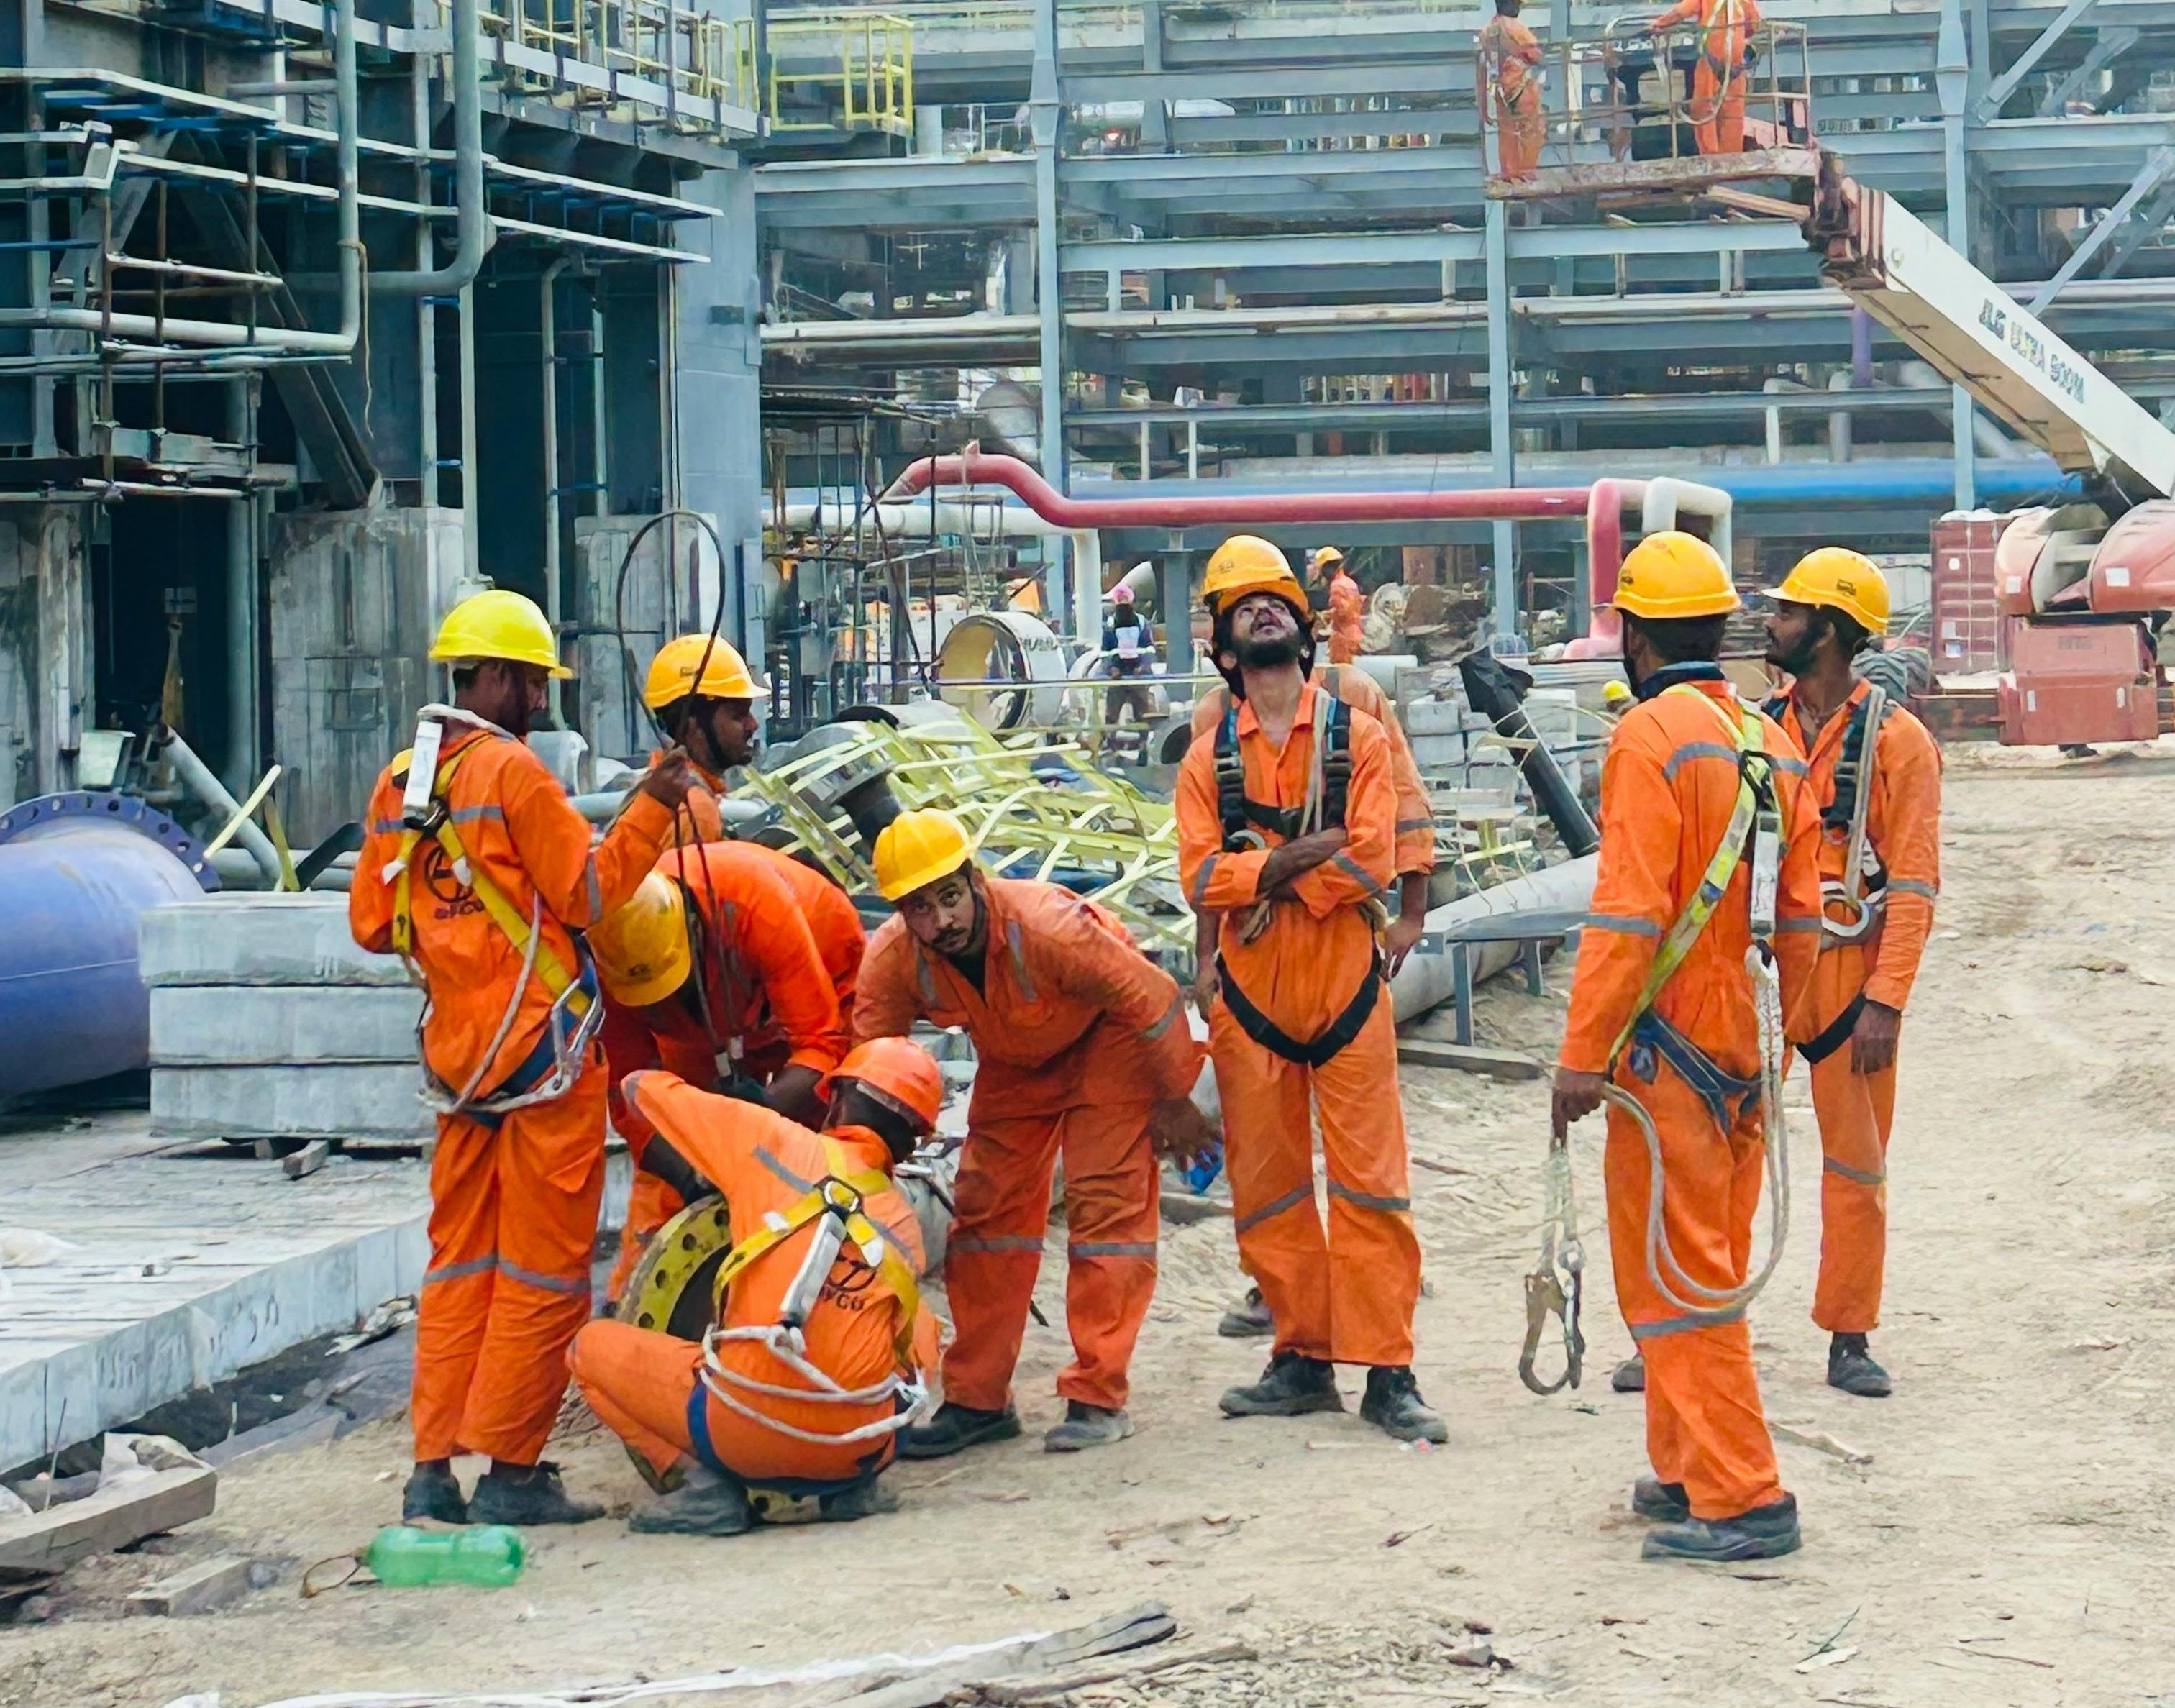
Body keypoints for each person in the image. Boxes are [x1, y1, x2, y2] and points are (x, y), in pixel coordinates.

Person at [351, 588, 693, 1527]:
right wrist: (652, 809)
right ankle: (511, 1471)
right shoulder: (514, 773)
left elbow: (373, 923)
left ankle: (432, 1470)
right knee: (543, 1271)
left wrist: (458, 932)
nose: (542, 700)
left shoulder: (401, 782)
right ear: (495, 677)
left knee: (458, 1267)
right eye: (534, 682)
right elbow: (588, 894)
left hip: (458, 1063)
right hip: (543, 1060)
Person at [1550, 531, 1823, 1563]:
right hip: (1742, 1044)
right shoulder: (1768, 738)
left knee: (1678, 1281)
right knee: (1699, 1261)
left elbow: (1627, 914)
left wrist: (1582, 1055)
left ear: (1635, 635)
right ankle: (1685, 1467)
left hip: (1667, 1049)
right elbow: (1800, 918)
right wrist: (1774, 1050)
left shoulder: (1650, 736)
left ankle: (1746, 1496)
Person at [1175, 540, 1444, 1446]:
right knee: (1269, 1189)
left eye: (1276, 600)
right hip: (1251, 1000)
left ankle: (1389, 1369)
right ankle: (1301, 1356)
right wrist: (1297, 858)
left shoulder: (1356, 730)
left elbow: (1371, 855)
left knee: (1372, 1185)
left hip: (1344, 992)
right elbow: (1198, 876)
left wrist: (1260, 872)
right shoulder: (1206, 753)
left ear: (1305, 626)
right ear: (1223, 645)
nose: (1263, 611)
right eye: (1242, 605)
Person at [854, 808, 1210, 1456]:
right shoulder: (895, 958)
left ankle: (1097, 1395)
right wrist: (862, 1154)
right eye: (921, 909)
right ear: (902, 914)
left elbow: (1153, 1000)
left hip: (1108, 1043)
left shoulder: (1048, 928)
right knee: (985, 1219)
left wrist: (1176, 1098)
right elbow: (870, 1059)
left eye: (950, 897)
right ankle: (978, 1400)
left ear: (975, 880)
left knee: (1106, 1210)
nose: (942, 921)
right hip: (1015, 1059)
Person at [567, 1038, 944, 1535]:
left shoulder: (769, 1140)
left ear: (836, 1100)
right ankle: (852, 1489)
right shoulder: (906, 1226)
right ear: (912, 1144)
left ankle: (705, 1489)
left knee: (587, 1348)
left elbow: (640, 1087)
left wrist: (749, 1105)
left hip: (740, 1436)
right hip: (863, 1448)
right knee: (922, 1325)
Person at [1761, 549, 1941, 1399]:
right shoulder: (1756, 729)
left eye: (1789, 613)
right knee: (1721, 1154)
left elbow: (1914, 883)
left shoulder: (1899, 744)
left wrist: (1887, 1001)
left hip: (1847, 983)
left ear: (1828, 630)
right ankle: (1692, 1325)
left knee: (1857, 1168)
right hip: (1761, 974)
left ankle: (1849, 1334)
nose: (1772, 623)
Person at [591, 841, 863, 1298]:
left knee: (820, 1146)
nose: (662, 1001)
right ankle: (632, 1302)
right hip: (708, 1024)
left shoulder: (755, 905)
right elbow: (631, 1095)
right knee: (677, 1140)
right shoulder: (611, 960)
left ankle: (837, 1287)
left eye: (670, 987)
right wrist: (689, 1174)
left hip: (823, 979)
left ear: (693, 931)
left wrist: (760, 1113)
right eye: (653, 999)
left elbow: (822, 1043)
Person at [637, 633, 767, 845]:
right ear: (692, 726)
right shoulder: (695, 811)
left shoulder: (657, 790)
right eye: (738, 715)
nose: (753, 724)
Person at [1649, 0, 1764, 157]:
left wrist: (1660, 24)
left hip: (1711, 64)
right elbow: (1753, 25)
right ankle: (1732, 159)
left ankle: (1711, 156)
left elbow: (1682, 11)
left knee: (1703, 109)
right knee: (1732, 115)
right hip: (1736, 67)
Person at [1480, 0, 1546, 179]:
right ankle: (1525, 171)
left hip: (1500, 89)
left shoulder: (1488, 30)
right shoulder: (1517, 28)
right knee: (1533, 129)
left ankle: (1509, 173)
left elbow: (1484, 61)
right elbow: (1536, 56)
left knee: (1507, 132)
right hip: (1522, 87)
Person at [1100, 583, 1157, 732]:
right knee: (1111, 716)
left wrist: (1143, 666)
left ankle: (1144, 742)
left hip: (1138, 677)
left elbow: (1149, 648)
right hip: (1117, 678)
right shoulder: (1110, 625)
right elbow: (1105, 651)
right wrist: (1112, 668)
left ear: (1131, 601)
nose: (1123, 603)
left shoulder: (1142, 623)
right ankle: (1110, 742)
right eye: (1120, 600)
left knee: (1144, 716)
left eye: (1125, 599)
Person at [1313, 547, 1366, 666]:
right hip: (1356, 633)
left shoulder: (1337, 586)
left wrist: (1324, 616)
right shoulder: (1350, 583)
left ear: (1327, 568)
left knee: (1340, 671)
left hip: (1343, 638)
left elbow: (1342, 612)